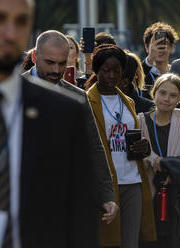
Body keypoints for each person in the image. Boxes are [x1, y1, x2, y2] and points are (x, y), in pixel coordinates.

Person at [0, 0, 99, 247]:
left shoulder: (64, 111)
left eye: (21, 21)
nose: (10, 33)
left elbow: (80, 211)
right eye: (0, 19)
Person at [22, 30, 119, 226]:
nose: (56, 70)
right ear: (34, 56)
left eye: (62, 63)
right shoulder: (12, 91)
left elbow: (93, 146)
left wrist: (107, 195)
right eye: (49, 62)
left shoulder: (77, 97)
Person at [86, 44, 157, 248]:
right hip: (105, 184)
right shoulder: (86, 100)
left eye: (116, 70)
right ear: (96, 71)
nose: (111, 75)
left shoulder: (128, 102)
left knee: (130, 243)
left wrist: (143, 148)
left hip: (133, 180)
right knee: (106, 241)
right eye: (105, 70)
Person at [138, 73, 180, 248]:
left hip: (176, 192)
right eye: (162, 93)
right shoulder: (140, 120)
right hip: (148, 191)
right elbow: (137, 155)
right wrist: (154, 161)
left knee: (172, 239)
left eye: (173, 95)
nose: (166, 99)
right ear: (154, 93)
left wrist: (172, 173)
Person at [142, 22, 179, 98]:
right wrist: (150, 58)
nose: (160, 48)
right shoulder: (141, 73)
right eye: (156, 44)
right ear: (146, 47)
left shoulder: (177, 73)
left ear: (172, 47)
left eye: (164, 43)